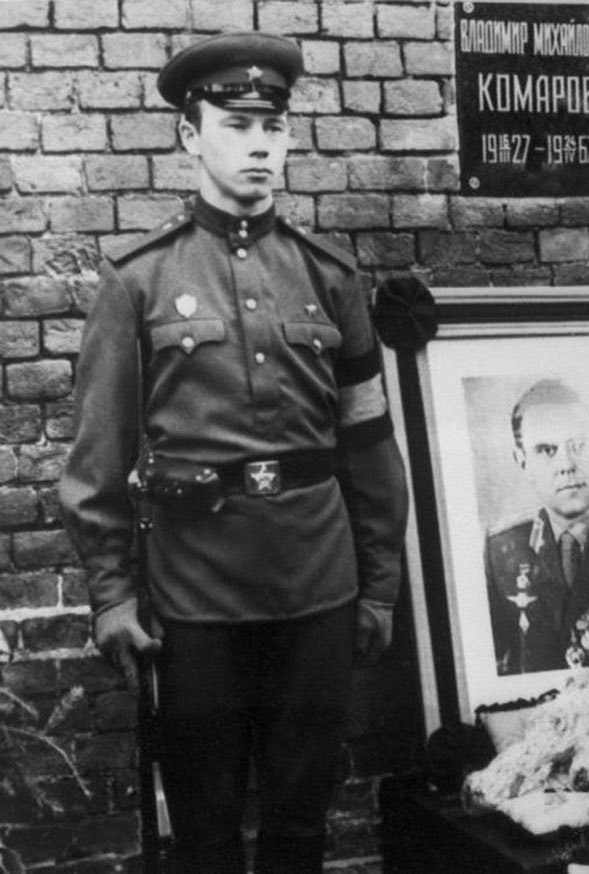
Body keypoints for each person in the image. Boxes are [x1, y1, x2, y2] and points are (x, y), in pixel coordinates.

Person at [58, 32, 409, 874]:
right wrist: (112, 596)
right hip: (195, 598)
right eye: (237, 125)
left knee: (300, 824)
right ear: (190, 135)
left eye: (273, 127)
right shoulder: (138, 281)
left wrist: (378, 587)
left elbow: (370, 449)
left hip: (317, 588)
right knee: (206, 834)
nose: (260, 145)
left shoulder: (330, 278)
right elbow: (95, 466)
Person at [484, 379, 589, 675]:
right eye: (546, 450)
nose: (566, 464)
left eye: (578, 445)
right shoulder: (501, 548)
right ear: (522, 462)